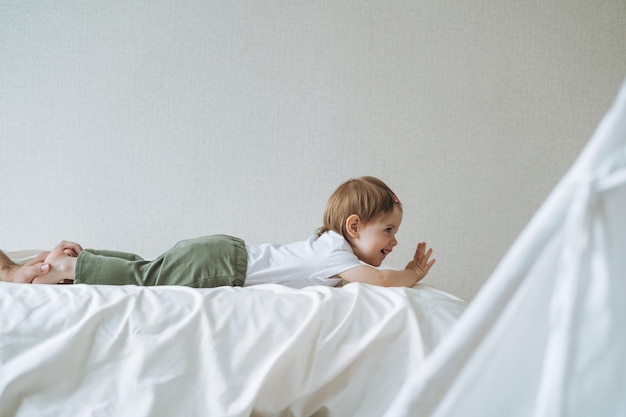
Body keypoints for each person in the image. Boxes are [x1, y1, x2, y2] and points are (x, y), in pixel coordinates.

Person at [3, 176, 436, 288]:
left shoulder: (328, 245)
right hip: (224, 265)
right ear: (354, 226)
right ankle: (71, 267)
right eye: (388, 231)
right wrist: (411, 273)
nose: (394, 243)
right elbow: (379, 280)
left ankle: (77, 261)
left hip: (222, 252)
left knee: (147, 267)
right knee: (149, 278)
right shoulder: (337, 254)